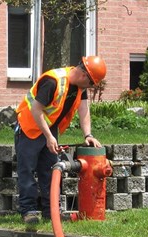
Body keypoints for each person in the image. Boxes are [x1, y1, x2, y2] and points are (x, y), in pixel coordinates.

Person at [14, 56, 107, 224]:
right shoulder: (53, 81)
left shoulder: (80, 86)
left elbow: (84, 110)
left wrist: (88, 135)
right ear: (85, 76)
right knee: (26, 170)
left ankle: (51, 212)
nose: (91, 87)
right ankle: (29, 211)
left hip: (48, 128)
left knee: (50, 170)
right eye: (92, 83)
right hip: (29, 128)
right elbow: (36, 109)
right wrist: (49, 137)